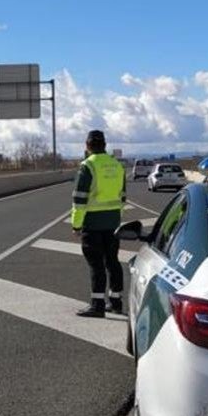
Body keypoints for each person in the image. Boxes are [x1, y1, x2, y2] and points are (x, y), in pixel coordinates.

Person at [71, 129, 127, 318]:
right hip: (113, 222)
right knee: (113, 261)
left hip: (93, 223)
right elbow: (123, 197)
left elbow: (79, 199)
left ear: (87, 146)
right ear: (105, 145)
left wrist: (76, 225)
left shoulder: (87, 166)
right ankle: (116, 302)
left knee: (96, 265)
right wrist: (116, 218)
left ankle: (97, 305)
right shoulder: (117, 166)